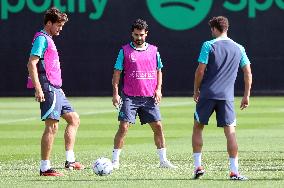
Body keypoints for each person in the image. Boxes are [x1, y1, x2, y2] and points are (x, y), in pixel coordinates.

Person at [192, 16, 252, 180]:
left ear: (214, 29)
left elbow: (200, 70)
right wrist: (246, 95)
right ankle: (234, 171)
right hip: (227, 97)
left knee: (198, 128)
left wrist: (196, 90)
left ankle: (198, 167)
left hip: (207, 94)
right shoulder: (239, 47)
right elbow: (247, 72)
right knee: (230, 133)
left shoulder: (208, 45)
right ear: (226, 28)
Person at [111, 18, 177, 170]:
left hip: (149, 97)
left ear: (146, 34)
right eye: (136, 35)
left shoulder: (154, 50)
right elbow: (117, 73)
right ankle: (115, 161)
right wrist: (115, 93)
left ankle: (163, 161)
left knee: (158, 127)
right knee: (124, 127)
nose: (138, 38)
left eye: (141, 35)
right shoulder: (124, 51)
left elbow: (159, 70)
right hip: (130, 97)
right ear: (132, 34)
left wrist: (159, 89)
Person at [27, 7, 84, 176]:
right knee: (52, 126)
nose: (60, 28)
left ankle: (70, 161)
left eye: (62, 25)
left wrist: (59, 90)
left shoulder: (49, 38)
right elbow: (31, 63)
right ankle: (45, 168)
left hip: (56, 88)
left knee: (74, 119)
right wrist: (38, 87)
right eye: (58, 25)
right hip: (48, 87)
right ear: (49, 23)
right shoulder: (42, 39)